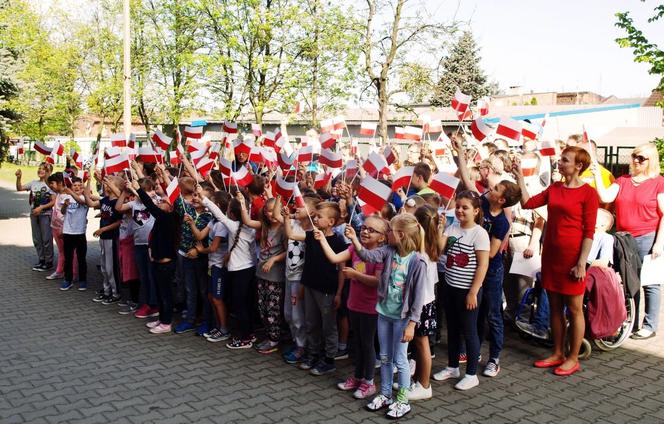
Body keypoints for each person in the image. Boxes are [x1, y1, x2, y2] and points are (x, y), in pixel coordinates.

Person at [514, 146, 598, 376]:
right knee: (554, 307)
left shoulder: (588, 193)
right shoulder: (555, 188)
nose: (559, 163)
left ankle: (573, 357)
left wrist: (582, 263)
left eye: (565, 160)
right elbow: (527, 203)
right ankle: (558, 352)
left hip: (573, 259)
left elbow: (589, 231)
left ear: (578, 166)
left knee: (574, 309)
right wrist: (521, 178)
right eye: (560, 159)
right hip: (551, 255)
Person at [345, 214, 427, 419]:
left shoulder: (418, 262)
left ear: (400, 235)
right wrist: (355, 239)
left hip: (402, 318)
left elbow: (418, 298)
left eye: (390, 231)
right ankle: (386, 394)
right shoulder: (389, 251)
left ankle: (403, 400)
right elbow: (368, 256)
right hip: (384, 313)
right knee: (385, 357)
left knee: (400, 359)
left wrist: (412, 324)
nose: (387, 233)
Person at [592, 143, 664, 340]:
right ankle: (630, 322)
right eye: (634, 156)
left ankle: (649, 325)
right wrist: (597, 175)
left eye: (641, 158)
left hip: (647, 237)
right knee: (627, 281)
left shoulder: (658, 182)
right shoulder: (623, 180)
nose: (636, 161)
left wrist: (659, 242)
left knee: (649, 282)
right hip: (623, 238)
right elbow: (605, 196)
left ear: (651, 160)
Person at [316, 215, 387, 400]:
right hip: (354, 304)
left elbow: (378, 282)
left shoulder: (381, 255)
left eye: (371, 230)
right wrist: (322, 239)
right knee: (358, 343)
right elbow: (334, 258)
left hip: (371, 308)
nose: (365, 231)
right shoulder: (353, 249)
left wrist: (355, 275)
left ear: (382, 237)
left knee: (367, 344)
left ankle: (369, 382)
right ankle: (358, 377)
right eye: (364, 227)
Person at [432, 191, 489, 390]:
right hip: (450, 286)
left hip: (468, 291)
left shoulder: (479, 233)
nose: (460, 210)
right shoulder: (452, 227)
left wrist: (473, 291)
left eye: (465, 207)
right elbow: (439, 250)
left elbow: (482, 266)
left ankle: (472, 374)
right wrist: (440, 229)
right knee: (453, 329)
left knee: (469, 331)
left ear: (476, 210)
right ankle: (452, 366)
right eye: (458, 206)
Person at [284, 202, 346, 376]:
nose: (316, 219)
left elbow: (342, 269)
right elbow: (290, 234)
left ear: (331, 222)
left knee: (328, 326)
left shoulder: (338, 241)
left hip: (327, 289)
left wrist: (339, 293)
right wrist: (286, 217)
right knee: (311, 322)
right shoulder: (311, 236)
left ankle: (329, 359)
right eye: (315, 216)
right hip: (310, 286)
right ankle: (313, 354)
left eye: (319, 217)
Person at [202, 191, 258, 349]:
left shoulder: (233, 226)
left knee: (239, 305)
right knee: (246, 304)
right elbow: (253, 252)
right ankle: (250, 333)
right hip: (249, 270)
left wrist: (204, 199)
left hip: (238, 272)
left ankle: (245, 338)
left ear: (232, 214)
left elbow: (218, 214)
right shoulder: (251, 228)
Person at [126, 169, 179, 334]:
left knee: (166, 295)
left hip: (166, 263)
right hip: (157, 261)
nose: (160, 202)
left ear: (170, 207)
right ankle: (161, 318)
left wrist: (138, 189)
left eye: (163, 201)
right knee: (161, 293)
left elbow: (149, 204)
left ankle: (166, 323)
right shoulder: (160, 219)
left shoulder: (167, 218)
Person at [237, 195, 287, 354]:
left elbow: (288, 251)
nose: (270, 214)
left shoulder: (284, 228)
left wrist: (274, 259)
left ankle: (274, 338)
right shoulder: (264, 226)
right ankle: (268, 335)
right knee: (262, 306)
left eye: (273, 211)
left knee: (273, 308)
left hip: (275, 275)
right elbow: (248, 222)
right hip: (261, 273)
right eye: (267, 211)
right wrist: (242, 204)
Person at [275, 195, 320, 365]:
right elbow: (277, 215)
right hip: (289, 275)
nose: (297, 207)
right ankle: (296, 342)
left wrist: (303, 283)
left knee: (297, 316)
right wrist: (280, 195)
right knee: (288, 313)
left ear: (313, 212)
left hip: (299, 279)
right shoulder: (294, 223)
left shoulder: (312, 232)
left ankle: (302, 347)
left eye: (302, 206)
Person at [192, 191, 232, 342]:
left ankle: (224, 329)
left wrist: (202, 250)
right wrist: (191, 224)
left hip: (219, 266)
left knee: (217, 298)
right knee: (211, 296)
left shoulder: (222, 224)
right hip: (211, 264)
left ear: (218, 205)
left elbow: (214, 247)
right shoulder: (213, 221)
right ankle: (218, 325)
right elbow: (201, 236)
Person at [85, 175, 123, 304]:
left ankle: (115, 292)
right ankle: (106, 290)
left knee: (111, 266)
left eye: (110, 183)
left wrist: (103, 230)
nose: (106, 184)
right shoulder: (106, 200)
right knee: (104, 266)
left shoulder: (117, 202)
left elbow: (119, 222)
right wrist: (88, 182)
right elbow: (90, 203)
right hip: (103, 237)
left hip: (111, 237)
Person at [15, 162, 55, 272]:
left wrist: (41, 208)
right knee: (37, 238)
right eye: (39, 168)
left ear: (49, 172)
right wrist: (19, 178)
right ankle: (41, 260)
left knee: (46, 239)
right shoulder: (34, 183)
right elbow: (19, 188)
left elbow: (53, 202)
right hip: (34, 214)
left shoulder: (50, 185)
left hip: (45, 215)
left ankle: (49, 262)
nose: (40, 170)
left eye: (44, 169)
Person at [59, 176, 89, 291]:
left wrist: (71, 192)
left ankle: (82, 280)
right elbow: (62, 212)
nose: (77, 187)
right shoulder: (66, 197)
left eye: (79, 185)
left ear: (82, 188)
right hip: (68, 231)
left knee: (81, 258)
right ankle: (68, 279)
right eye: (74, 185)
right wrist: (65, 205)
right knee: (68, 258)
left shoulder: (85, 197)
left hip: (80, 232)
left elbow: (81, 201)